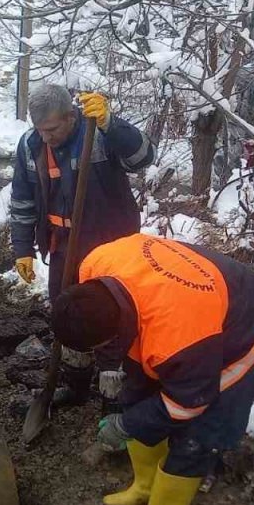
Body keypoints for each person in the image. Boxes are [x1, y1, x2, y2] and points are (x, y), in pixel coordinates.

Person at [49, 232, 254, 505]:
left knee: (196, 437)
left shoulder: (179, 338)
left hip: (246, 323)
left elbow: (189, 401)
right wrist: (132, 417)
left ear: (111, 335)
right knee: (135, 395)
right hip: (182, 305)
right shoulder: (95, 263)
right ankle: (145, 488)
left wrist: (126, 425)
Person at [9, 84, 154, 406]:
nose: (46, 137)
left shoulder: (98, 134)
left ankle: (113, 397)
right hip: (63, 246)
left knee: (110, 316)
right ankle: (74, 387)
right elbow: (21, 200)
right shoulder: (31, 145)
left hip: (111, 249)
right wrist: (22, 250)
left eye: (52, 129)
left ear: (71, 117)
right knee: (69, 315)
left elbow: (143, 157)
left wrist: (111, 124)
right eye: (39, 130)